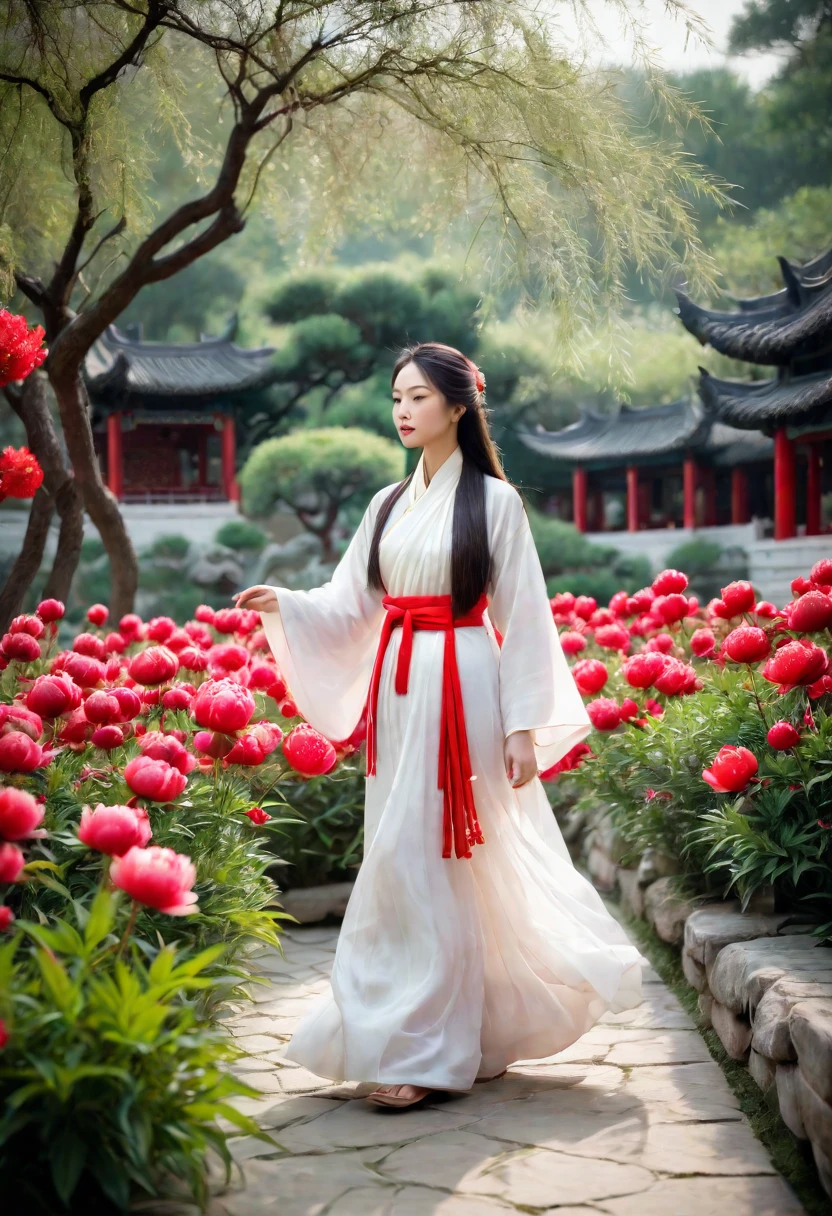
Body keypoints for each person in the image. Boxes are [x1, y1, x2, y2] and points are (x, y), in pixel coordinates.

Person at [234, 341, 643, 1110]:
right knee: (405, 857)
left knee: (443, 859)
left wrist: (523, 725)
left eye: (418, 397)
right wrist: (288, 605)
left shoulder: (496, 505)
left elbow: (522, 616)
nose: (403, 411)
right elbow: (351, 599)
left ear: (459, 406)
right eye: (396, 397)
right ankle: (452, 1031)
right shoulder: (386, 506)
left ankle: (425, 1051)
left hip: (466, 686)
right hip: (399, 690)